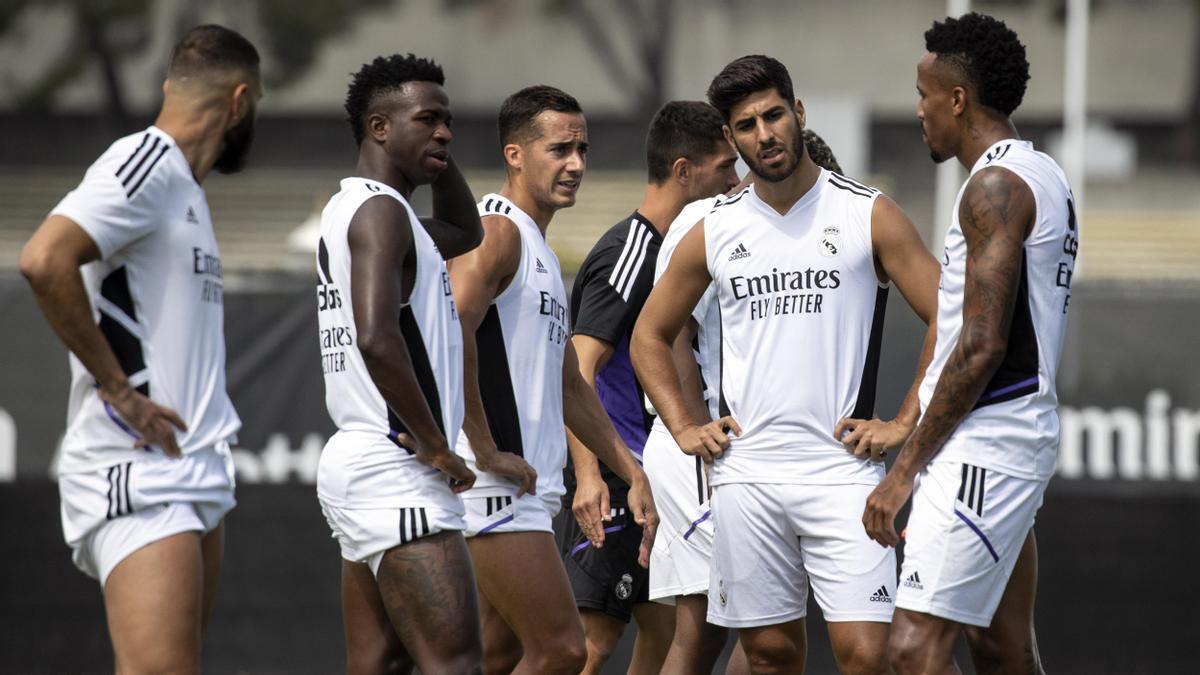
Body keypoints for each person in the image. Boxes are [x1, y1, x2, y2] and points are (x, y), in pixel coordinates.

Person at [631, 54, 940, 674]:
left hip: (844, 472)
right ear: (730, 137)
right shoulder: (714, 227)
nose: (764, 134)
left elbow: (949, 316)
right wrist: (687, 426)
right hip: (746, 478)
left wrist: (904, 420)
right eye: (745, 125)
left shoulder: (865, 211)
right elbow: (649, 335)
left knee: (868, 655)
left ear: (798, 114)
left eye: (774, 115)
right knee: (769, 656)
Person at [18, 25, 260, 674]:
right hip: (139, 470)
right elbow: (44, 259)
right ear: (240, 102)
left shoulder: (185, 189)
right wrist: (120, 389)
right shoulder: (145, 162)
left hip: (195, 471)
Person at [863, 14, 1077, 674]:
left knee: (912, 650)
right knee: (1001, 647)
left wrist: (903, 473)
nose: (919, 109)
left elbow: (981, 347)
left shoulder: (994, 187)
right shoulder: (1037, 173)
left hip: (987, 443)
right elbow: (965, 329)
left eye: (925, 93)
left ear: (957, 99)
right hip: (1001, 439)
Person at [447, 85, 659, 675]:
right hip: (494, 488)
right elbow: (450, 329)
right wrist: (484, 447)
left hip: (527, 491)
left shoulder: (537, 245)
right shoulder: (498, 231)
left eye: (583, 150)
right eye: (560, 149)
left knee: (499, 655)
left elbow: (570, 387)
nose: (577, 165)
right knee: (563, 651)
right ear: (515, 154)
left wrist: (629, 468)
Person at [644, 127, 848, 675]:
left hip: (753, 453)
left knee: (764, 629)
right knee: (703, 626)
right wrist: (695, 433)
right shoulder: (713, 221)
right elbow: (670, 336)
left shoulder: (805, 228)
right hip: (705, 445)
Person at [314, 53, 485, 674]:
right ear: (378, 127)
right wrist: (437, 446)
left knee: (381, 664)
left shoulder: (371, 210)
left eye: (449, 122)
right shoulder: (381, 212)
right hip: (397, 465)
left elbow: (466, 231)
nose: (444, 132)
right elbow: (377, 337)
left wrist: (435, 154)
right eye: (428, 120)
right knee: (458, 664)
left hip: (366, 463)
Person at [557, 99, 739, 675]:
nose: (736, 182)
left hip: (652, 481)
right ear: (684, 171)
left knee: (668, 635)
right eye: (724, 169)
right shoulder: (634, 252)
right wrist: (592, 477)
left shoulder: (686, 248)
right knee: (589, 644)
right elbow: (578, 370)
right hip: (615, 480)